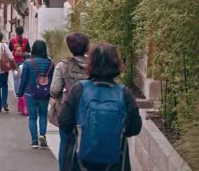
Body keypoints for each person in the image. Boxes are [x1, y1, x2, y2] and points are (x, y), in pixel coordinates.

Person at [58, 43, 142, 171]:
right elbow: (134, 128)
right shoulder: (124, 93)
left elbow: (64, 122)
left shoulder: (79, 89)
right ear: (116, 64)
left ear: (91, 64)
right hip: (115, 162)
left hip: (80, 162)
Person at [50, 32, 90, 170]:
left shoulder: (63, 66)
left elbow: (54, 90)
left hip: (67, 112)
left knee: (65, 145)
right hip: (89, 113)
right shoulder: (93, 66)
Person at [18, 40, 54, 148]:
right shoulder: (50, 63)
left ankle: (34, 141)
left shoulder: (28, 62)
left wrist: (20, 93)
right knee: (43, 114)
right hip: (45, 93)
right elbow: (52, 79)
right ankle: (42, 135)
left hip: (30, 93)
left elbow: (23, 79)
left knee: (32, 117)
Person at [10, 26, 31, 97]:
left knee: (15, 77)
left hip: (14, 61)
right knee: (23, 77)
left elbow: (10, 50)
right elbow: (28, 50)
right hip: (23, 61)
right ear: (22, 32)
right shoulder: (26, 40)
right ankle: (23, 91)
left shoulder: (12, 40)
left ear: (16, 31)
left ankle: (17, 93)